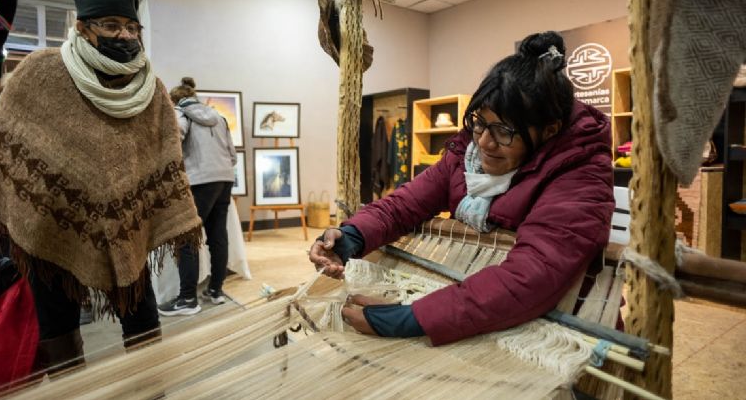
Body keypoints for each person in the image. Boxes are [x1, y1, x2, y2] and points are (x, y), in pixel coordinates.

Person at [309, 31, 614, 346]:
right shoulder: (466, 153)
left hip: (570, 324)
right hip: (483, 298)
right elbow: (406, 204)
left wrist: (410, 319)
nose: (483, 141)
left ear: (549, 130)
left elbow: (535, 275)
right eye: (479, 122)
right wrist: (352, 236)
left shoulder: (581, 171)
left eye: (504, 131)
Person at [0, 0, 202, 374]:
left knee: (142, 317)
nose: (125, 35)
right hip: (49, 222)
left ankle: (149, 387)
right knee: (58, 326)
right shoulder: (42, 72)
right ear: (83, 28)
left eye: (132, 28)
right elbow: (11, 134)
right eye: (112, 25)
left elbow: (161, 152)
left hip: (126, 229)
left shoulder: (149, 89)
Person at [158, 77, 237, 316]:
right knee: (217, 235)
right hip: (225, 179)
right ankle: (216, 291)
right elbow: (232, 155)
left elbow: (173, 143)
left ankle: (187, 299)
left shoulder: (179, 114)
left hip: (199, 181)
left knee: (187, 237)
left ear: (175, 100)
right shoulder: (220, 117)